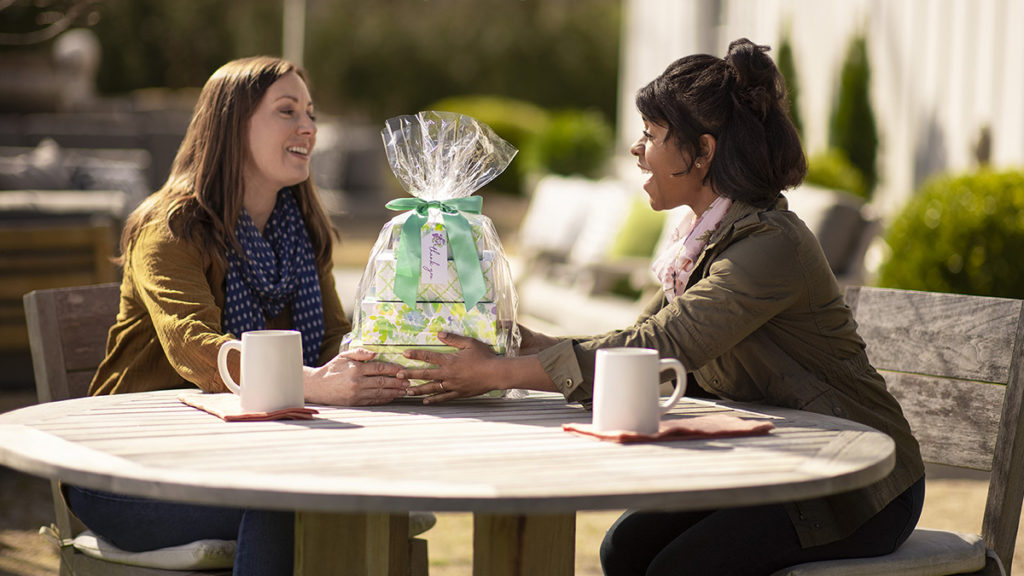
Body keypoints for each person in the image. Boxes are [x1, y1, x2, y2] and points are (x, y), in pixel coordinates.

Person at [398, 39, 926, 575]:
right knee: (624, 549)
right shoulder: (703, 239)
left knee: (679, 568)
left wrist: (498, 373)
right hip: (779, 463)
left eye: (650, 135)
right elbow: (643, 336)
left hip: (858, 485)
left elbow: (656, 349)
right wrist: (538, 347)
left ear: (703, 151)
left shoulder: (769, 246)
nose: (636, 149)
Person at [67, 56, 411, 576]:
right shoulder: (171, 226)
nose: (309, 128)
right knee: (290, 500)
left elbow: (331, 342)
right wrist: (312, 385)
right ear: (232, 124)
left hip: (237, 460)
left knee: (363, 490)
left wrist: (391, 355)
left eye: (311, 114)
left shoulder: (302, 229)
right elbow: (194, 347)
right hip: (125, 472)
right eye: (287, 111)